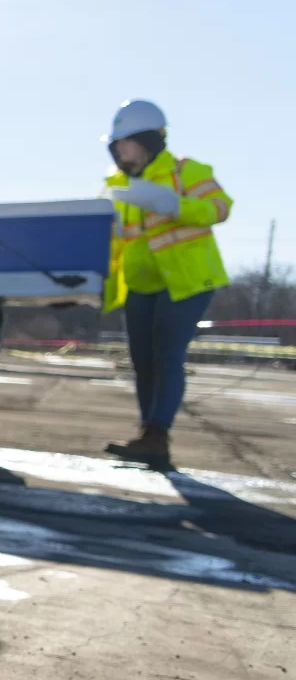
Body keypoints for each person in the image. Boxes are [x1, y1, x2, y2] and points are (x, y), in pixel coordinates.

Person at [99, 99, 233, 471]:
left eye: (126, 142)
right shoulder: (114, 185)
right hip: (139, 286)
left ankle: (158, 434)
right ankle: (148, 436)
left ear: (148, 141)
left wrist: (176, 206)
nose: (120, 151)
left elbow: (220, 208)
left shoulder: (186, 172)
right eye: (117, 145)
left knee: (167, 357)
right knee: (143, 362)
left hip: (185, 283)